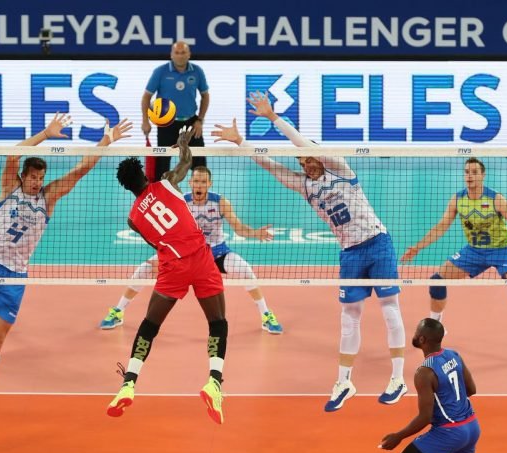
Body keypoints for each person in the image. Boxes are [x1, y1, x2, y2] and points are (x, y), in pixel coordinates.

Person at [0, 114, 132, 440]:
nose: (36, 181)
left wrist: (105, 142)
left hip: (14, 277)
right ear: (23, 176)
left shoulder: (48, 198)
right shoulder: (9, 187)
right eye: (32, 176)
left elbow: (81, 170)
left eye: (40, 177)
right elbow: (12, 154)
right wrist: (46, 133)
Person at [212, 91, 407, 411]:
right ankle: (344, 381)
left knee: (389, 309)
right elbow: (270, 166)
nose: (305, 164)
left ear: (318, 156)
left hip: (377, 243)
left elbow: (301, 143)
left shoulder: (341, 169)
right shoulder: (304, 184)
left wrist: (274, 118)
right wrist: (240, 143)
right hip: (350, 253)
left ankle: (398, 378)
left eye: (308, 159)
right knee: (349, 318)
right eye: (301, 163)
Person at [108, 127, 227, 424]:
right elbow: (186, 162)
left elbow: (156, 243)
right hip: (201, 259)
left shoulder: (133, 219)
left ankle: (129, 383)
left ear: (126, 187)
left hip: (172, 267)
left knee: (149, 325)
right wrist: (184, 143)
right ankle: (214, 381)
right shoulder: (166, 183)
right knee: (217, 322)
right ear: (144, 176)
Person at [400, 157, 507, 356]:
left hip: (502, 250)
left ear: (483, 175)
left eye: (474, 172)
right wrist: (418, 247)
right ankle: (436, 328)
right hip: (474, 251)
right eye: (466, 172)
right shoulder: (458, 199)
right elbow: (441, 226)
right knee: (437, 280)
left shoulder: (495, 198)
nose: (469, 176)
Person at [100, 165, 283, 334]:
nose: (199, 185)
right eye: (196, 181)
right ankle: (118, 311)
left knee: (246, 271)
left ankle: (266, 315)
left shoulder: (220, 202)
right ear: (190, 182)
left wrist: (255, 233)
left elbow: (239, 228)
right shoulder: (181, 199)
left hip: (217, 253)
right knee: (143, 269)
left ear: (209, 184)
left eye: (203, 182)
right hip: (183, 254)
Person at [380, 318, 490, 453]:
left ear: (422, 339)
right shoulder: (454, 355)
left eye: (416, 332)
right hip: (472, 426)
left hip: (449, 433)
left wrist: (398, 436)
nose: (414, 335)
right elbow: (471, 389)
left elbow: (425, 417)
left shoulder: (424, 372)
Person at [142, 40, 209, 180]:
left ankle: (201, 195)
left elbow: (205, 96)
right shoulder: (160, 72)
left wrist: (200, 120)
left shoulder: (197, 72)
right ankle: (160, 197)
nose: (180, 56)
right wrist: (145, 121)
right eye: (177, 53)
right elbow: (146, 97)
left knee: (200, 164)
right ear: (171, 55)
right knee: (161, 165)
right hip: (166, 123)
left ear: (189, 54)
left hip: (191, 123)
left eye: (183, 52)